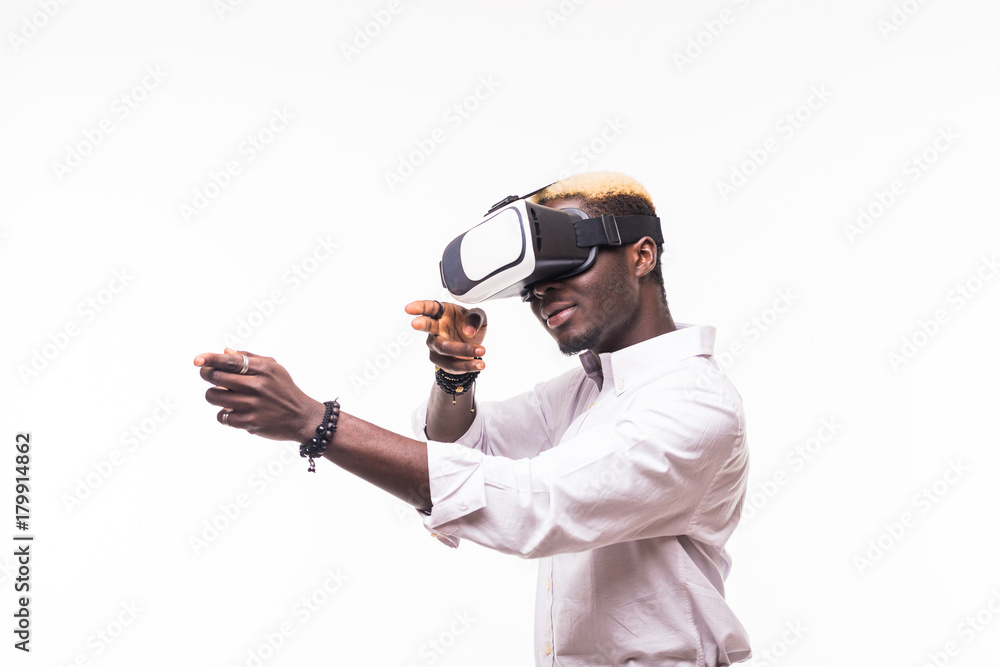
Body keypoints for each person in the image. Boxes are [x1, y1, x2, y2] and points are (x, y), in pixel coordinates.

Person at [195, 171, 752, 666]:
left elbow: (536, 504)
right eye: (532, 285)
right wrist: (454, 381)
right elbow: (468, 449)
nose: (542, 295)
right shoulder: (591, 389)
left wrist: (316, 422)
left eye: (568, 265)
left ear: (642, 255)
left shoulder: (694, 406)